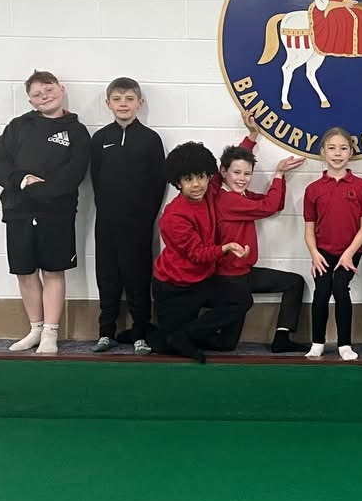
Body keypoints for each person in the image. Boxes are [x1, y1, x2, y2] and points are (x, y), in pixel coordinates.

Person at [0, 70, 91, 355]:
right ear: (30, 101)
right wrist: (22, 181)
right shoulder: (18, 126)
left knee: (53, 271)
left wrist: (40, 191)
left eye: (49, 89)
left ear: (61, 89)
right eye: (37, 94)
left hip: (56, 213)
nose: (44, 96)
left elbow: (74, 174)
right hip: (18, 212)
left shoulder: (76, 131)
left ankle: (50, 333)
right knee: (25, 272)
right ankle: (35, 329)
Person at [149, 141, 252, 363]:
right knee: (166, 347)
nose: (197, 184)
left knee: (239, 305)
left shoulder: (209, 190)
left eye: (201, 177)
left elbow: (228, 167)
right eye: (188, 179)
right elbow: (198, 254)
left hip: (202, 280)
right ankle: (163, 336)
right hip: (175, 287)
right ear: (178, 183)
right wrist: (226, 248)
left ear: (208, 176)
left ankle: (181, 336)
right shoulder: (173, 216)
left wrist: (250, 140)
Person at [214, 112, 308, 354]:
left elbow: (274, 203)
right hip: (229, 279)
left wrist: (253, 135)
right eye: (236, 173)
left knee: (294, 282)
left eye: (247, 174)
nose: (242, 179)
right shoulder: (226, 199)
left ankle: (282, 337)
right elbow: (269, 206)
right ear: (223, 172)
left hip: (244, 273)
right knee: (226, 344)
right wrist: (278, 174)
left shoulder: (242, 195)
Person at [89, 77, 166, 355]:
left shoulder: (151, 140)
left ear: (139, 103)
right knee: (107, 278)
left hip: (138, 225)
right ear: (108, 103)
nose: (123, 104)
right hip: (107, 223)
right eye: (117, 99)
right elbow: (96, 179)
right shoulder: (100, 139)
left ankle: (140, 334)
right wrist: (108, 210)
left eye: (129, 99)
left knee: (138, 279)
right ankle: (105, 333)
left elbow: (159, 182)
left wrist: (145, 217)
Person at [304, 127, 362, 361]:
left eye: (343, 148)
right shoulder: (313, 189)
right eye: (332, 148)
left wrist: (348, 254)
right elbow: (309, 230)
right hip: (322, 251)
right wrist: (314, 253)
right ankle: (317, 342)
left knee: (340, 289)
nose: (337, 153)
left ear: (350, 152)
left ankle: (344, 344)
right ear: (323, 152)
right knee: (322, 292)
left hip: (351, 251)